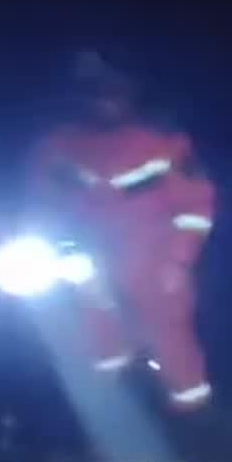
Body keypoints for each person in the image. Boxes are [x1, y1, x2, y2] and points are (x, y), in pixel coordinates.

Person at [27, 48, 218, 412]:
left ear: (130, 90)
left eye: (113, 89)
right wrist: (65, 248)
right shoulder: (57, 145)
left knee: (168, 327)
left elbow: (196, 204)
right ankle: (108, 405)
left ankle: (193, 408)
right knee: (92, 324)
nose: (105, 100)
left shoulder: (164, 140)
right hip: (86, 252)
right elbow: (44, 203)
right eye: (95, 90)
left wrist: (178, 260)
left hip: (152, 253)